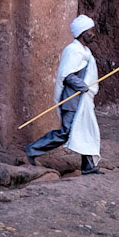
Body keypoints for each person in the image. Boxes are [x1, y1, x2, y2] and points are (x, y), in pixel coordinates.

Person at [26, 15, 102, 173]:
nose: (93, 34)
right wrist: (84, 86)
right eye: (90, 31)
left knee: (86, 129)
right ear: (83, 33)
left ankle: (88, 167)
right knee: (66, 132)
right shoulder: (73, 50)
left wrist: (85, 89)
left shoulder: (85, 52)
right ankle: (33, 149)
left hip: (82, 99)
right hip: (71, 101)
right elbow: (67, 75)